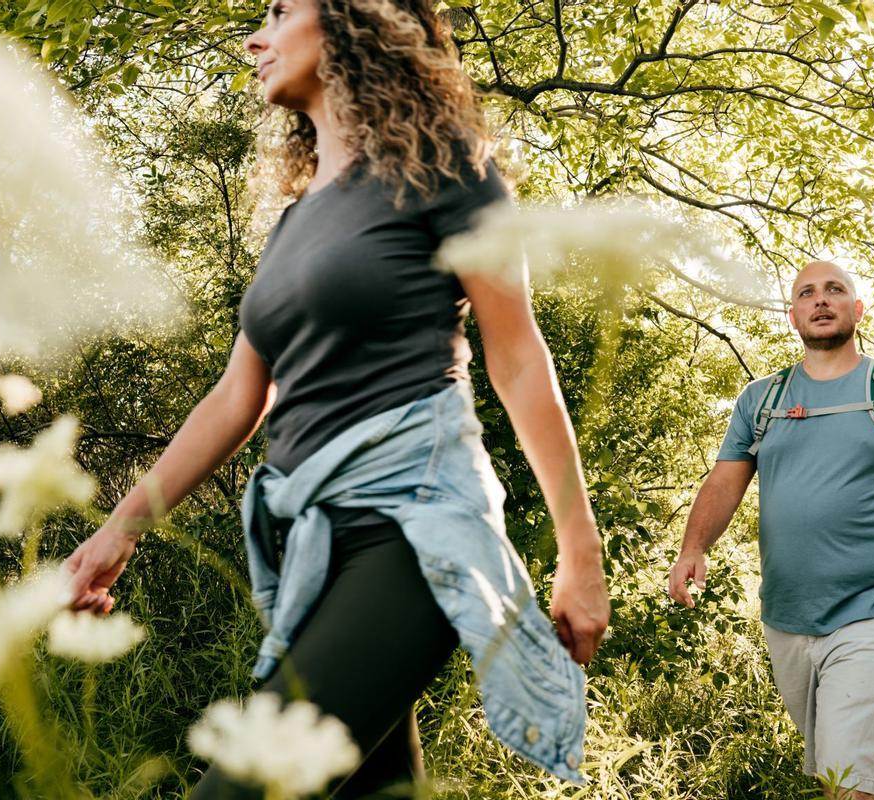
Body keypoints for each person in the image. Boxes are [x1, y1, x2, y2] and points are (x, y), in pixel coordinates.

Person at [61, 1, 610, 797]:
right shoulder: (293, 224)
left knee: (243, 786)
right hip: (313, 549)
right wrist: (119, 531)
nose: (257, 35)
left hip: (411, 531)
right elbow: (236, 398)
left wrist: (580, 553)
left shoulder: (448, 171)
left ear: (358, 21)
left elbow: (518, 359)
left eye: (283, 10)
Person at [668, 260, 874, 799]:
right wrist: (693, 546)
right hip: (788, 616)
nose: (821, 300)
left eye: (835, 290)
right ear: (794, 316)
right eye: (807, 293)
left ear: (857, 309)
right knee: (834, 774)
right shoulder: (762, 399)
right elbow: (725, 481)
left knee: (851, 782)